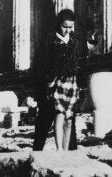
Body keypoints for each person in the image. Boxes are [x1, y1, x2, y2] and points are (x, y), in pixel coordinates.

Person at [33, 9, 81, 151]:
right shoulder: (48, 40)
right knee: (44, 121)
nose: (67, 31)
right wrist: (45, 84)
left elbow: (78, 62)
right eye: (64, 27)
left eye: (70, 27)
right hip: (50, 85)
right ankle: (37, 152)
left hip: (69, 84)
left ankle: (70, 152)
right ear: (58, 24)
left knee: (69, 120)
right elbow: (39, 65)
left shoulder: (75, 41)